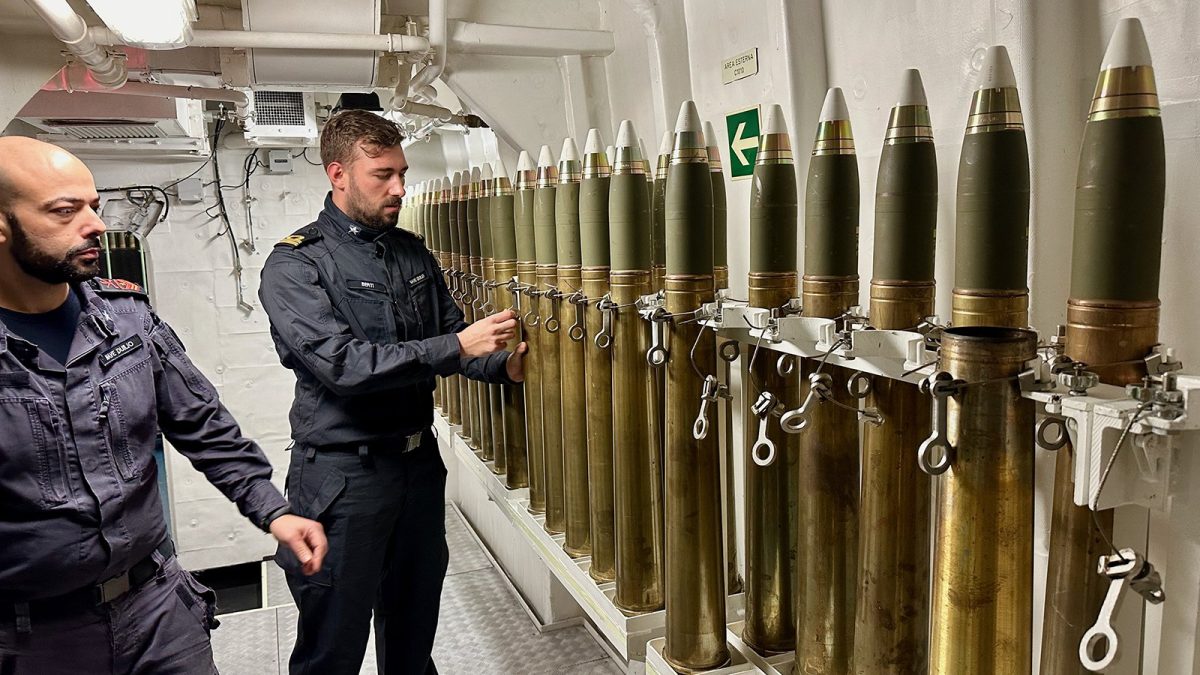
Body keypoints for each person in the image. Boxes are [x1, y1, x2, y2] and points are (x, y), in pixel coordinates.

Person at [0, 136, 328, 675]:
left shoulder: (126, 317)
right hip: (36, 640)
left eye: (93, 206)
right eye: (65, 210)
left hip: (157, 612)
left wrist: (274, 509)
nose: (95, 224)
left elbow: (202, 423)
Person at [259, 109, 525, 675]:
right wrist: (459, 346)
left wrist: (504, 366)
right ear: (338, 174)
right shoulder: (295, 264)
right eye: (382, 174)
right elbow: (344, 367)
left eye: (402, 172)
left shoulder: (409, 251)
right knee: (333, 647)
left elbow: (453, 342)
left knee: (412, 634)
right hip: (343, 479)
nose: (399, 188)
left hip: (416, 471)